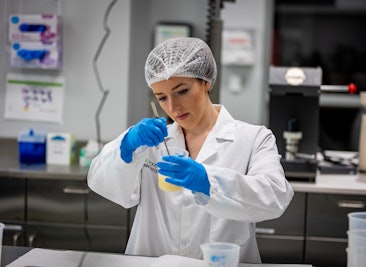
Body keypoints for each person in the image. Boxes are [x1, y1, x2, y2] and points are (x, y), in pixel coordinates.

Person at [87, 37, 294, 263]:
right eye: (162, 98)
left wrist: (208, 181)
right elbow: (101, 182)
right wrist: (125, 147)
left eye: (182, 91)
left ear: (206, 83)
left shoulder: (253, 138)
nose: (173, 107)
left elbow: (274, 198)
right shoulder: (151, 141)